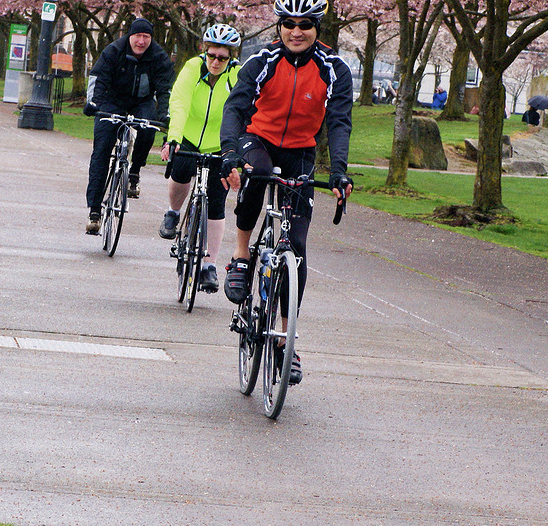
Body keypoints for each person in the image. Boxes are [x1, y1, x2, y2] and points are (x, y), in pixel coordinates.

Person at [220, 0, 354, 385]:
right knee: (259, 173)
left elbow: (339, 122)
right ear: (278, 26)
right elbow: (235, 108)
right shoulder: (262, 61)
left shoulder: (334, 68)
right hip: (257, 140)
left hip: (301, 152)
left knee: (296, 245)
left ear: (317, 29)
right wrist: (229, 153)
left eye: (306, 24)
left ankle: (285, 339)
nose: (297, 31)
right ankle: (241, 255)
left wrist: (339, 172)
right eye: (289, 24)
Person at [158, 24, 241, 293]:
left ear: (231, 58)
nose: (216, 62)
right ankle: (173, 213)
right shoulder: (193, 68)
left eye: (222, 58)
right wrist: (174, 138)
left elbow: (242, 111)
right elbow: (179, 103)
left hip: (220, 143)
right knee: (180, 171)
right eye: (211, 56)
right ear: (204, 52)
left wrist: (236, 150)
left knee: (216, 203)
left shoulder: (236, 76)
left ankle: (209, 266)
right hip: (188, 136)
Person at [83, 18, 174, 234]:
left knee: (148, 129)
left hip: (142, 102)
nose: (141, 41)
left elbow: (165, 88)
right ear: (130, 36)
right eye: (137, 36)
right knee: (101, 150)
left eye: (146, 37)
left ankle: (134, 172)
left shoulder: (159, 57)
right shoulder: (113, 51)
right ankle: (94, 210)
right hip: (111, 101)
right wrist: (93, 103)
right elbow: (98, 78)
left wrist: (165, 114)